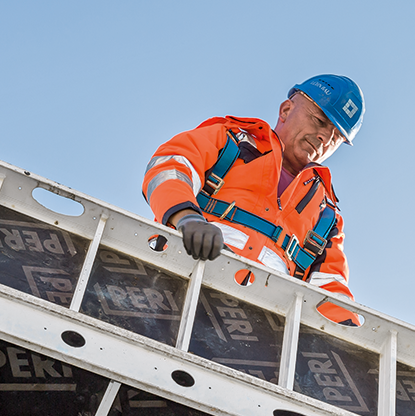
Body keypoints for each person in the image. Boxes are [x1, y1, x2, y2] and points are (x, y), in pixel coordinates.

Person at [142, 75, 364, 324]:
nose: (324, 137)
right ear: (286, 110)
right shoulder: (229, 141)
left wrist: (358, 341)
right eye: (320, 120)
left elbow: (331, 288)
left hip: (257, 329)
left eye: (336, 136)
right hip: (174, 287)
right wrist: (187, 218)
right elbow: (170, 168)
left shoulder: (326, 215)